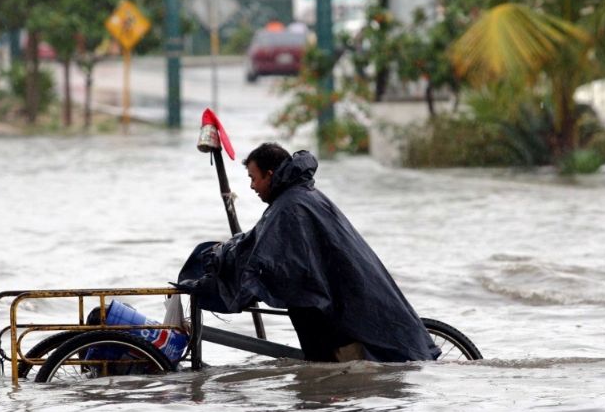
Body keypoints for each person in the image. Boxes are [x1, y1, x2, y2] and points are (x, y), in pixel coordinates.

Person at [176, 143, 438, 363]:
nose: (253, 186)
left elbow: (263, 253)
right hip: (334, 300)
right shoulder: (297, 197)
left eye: (253, 178)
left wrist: (225, 263)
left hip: (335, 312)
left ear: (269, 174)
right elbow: (263, 242)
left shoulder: (291, 206)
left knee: (342, 377)